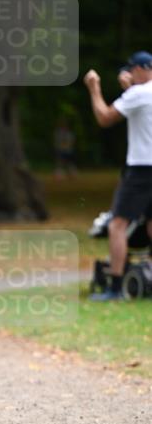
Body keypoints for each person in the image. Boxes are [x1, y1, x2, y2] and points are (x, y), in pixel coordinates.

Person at [84, 52, 152, 300]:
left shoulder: (138, 94)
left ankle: (114, 286)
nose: (129, 74)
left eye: (132, 70)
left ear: (143, 69)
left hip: (142, 169)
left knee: (117, 224)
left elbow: (105, 117)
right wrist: (130, 89)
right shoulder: (141, 93)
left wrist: (94, 88)